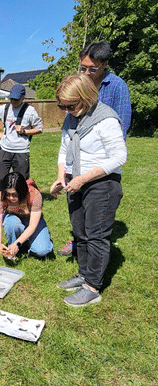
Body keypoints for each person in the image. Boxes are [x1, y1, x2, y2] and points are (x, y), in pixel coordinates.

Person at [50, 74, 127, 307]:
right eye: (62, 106)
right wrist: (60, 175)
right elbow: (64, 149)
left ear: (85, 97)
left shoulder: (106, 120)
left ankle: (93, 286)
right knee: (79, 231)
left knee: (96, 235)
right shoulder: (72, 118)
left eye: (70, 105)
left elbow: (120, 156)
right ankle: (83, 274)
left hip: (101, 184)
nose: (66, 109)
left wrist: (83, 179)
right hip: (75, 181)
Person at [59, 41, 132, 256]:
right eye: (83, 68)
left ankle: (94, 256)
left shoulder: (117, 86)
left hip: (101, 162)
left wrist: (101, 163)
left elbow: (120, 128)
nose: (87, 72)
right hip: (78, 163)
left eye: (92, 69)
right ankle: (79, 243)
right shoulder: (77, 85)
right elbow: (70, 126)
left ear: (105, 65)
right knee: (78, 215)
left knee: (97, 221)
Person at [0, 84, 43, 192]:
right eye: (11, 99)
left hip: (21, 151)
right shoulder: (4, 108)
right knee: (0, 179)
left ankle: (21, 204)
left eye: (16, 99)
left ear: (23, 98)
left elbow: (40, 129)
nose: (13, 102)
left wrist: (24, 131)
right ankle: (4, 200)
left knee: (21, 181)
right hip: (5, 149)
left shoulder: (30, 111)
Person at [0, 172, 53, 260]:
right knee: (11, 222)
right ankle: (13, 248)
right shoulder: (1, 197)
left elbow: (33, 225)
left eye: (14, 195)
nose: (11, 198)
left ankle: (22, 243)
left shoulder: (34, 195)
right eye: (8, 194)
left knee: (42, 251)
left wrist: (18, 243)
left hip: (32, 221)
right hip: (14, 220)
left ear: (22, 191)